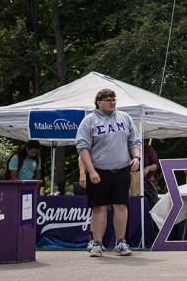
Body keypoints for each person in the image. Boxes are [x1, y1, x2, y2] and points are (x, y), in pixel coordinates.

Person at [75, 88, 142, 257]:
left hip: (121, 169)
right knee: (99, 207)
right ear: (99, 102)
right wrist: (90, 171)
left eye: (114, 99)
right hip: (99, 170)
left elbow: (135, 141)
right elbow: (82, 147)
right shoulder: (89, 121)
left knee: (121, 205)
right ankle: (97, 243)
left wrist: (136, 158)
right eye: (108, 99)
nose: (112, 102)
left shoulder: (124, 118)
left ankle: (120, 242)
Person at [141, 141, 160, 207]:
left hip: (149, 185)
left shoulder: (147, 148)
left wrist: (148, 168)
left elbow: (156, 165)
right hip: (133, 186)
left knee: (154, 209)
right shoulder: (127, 149)